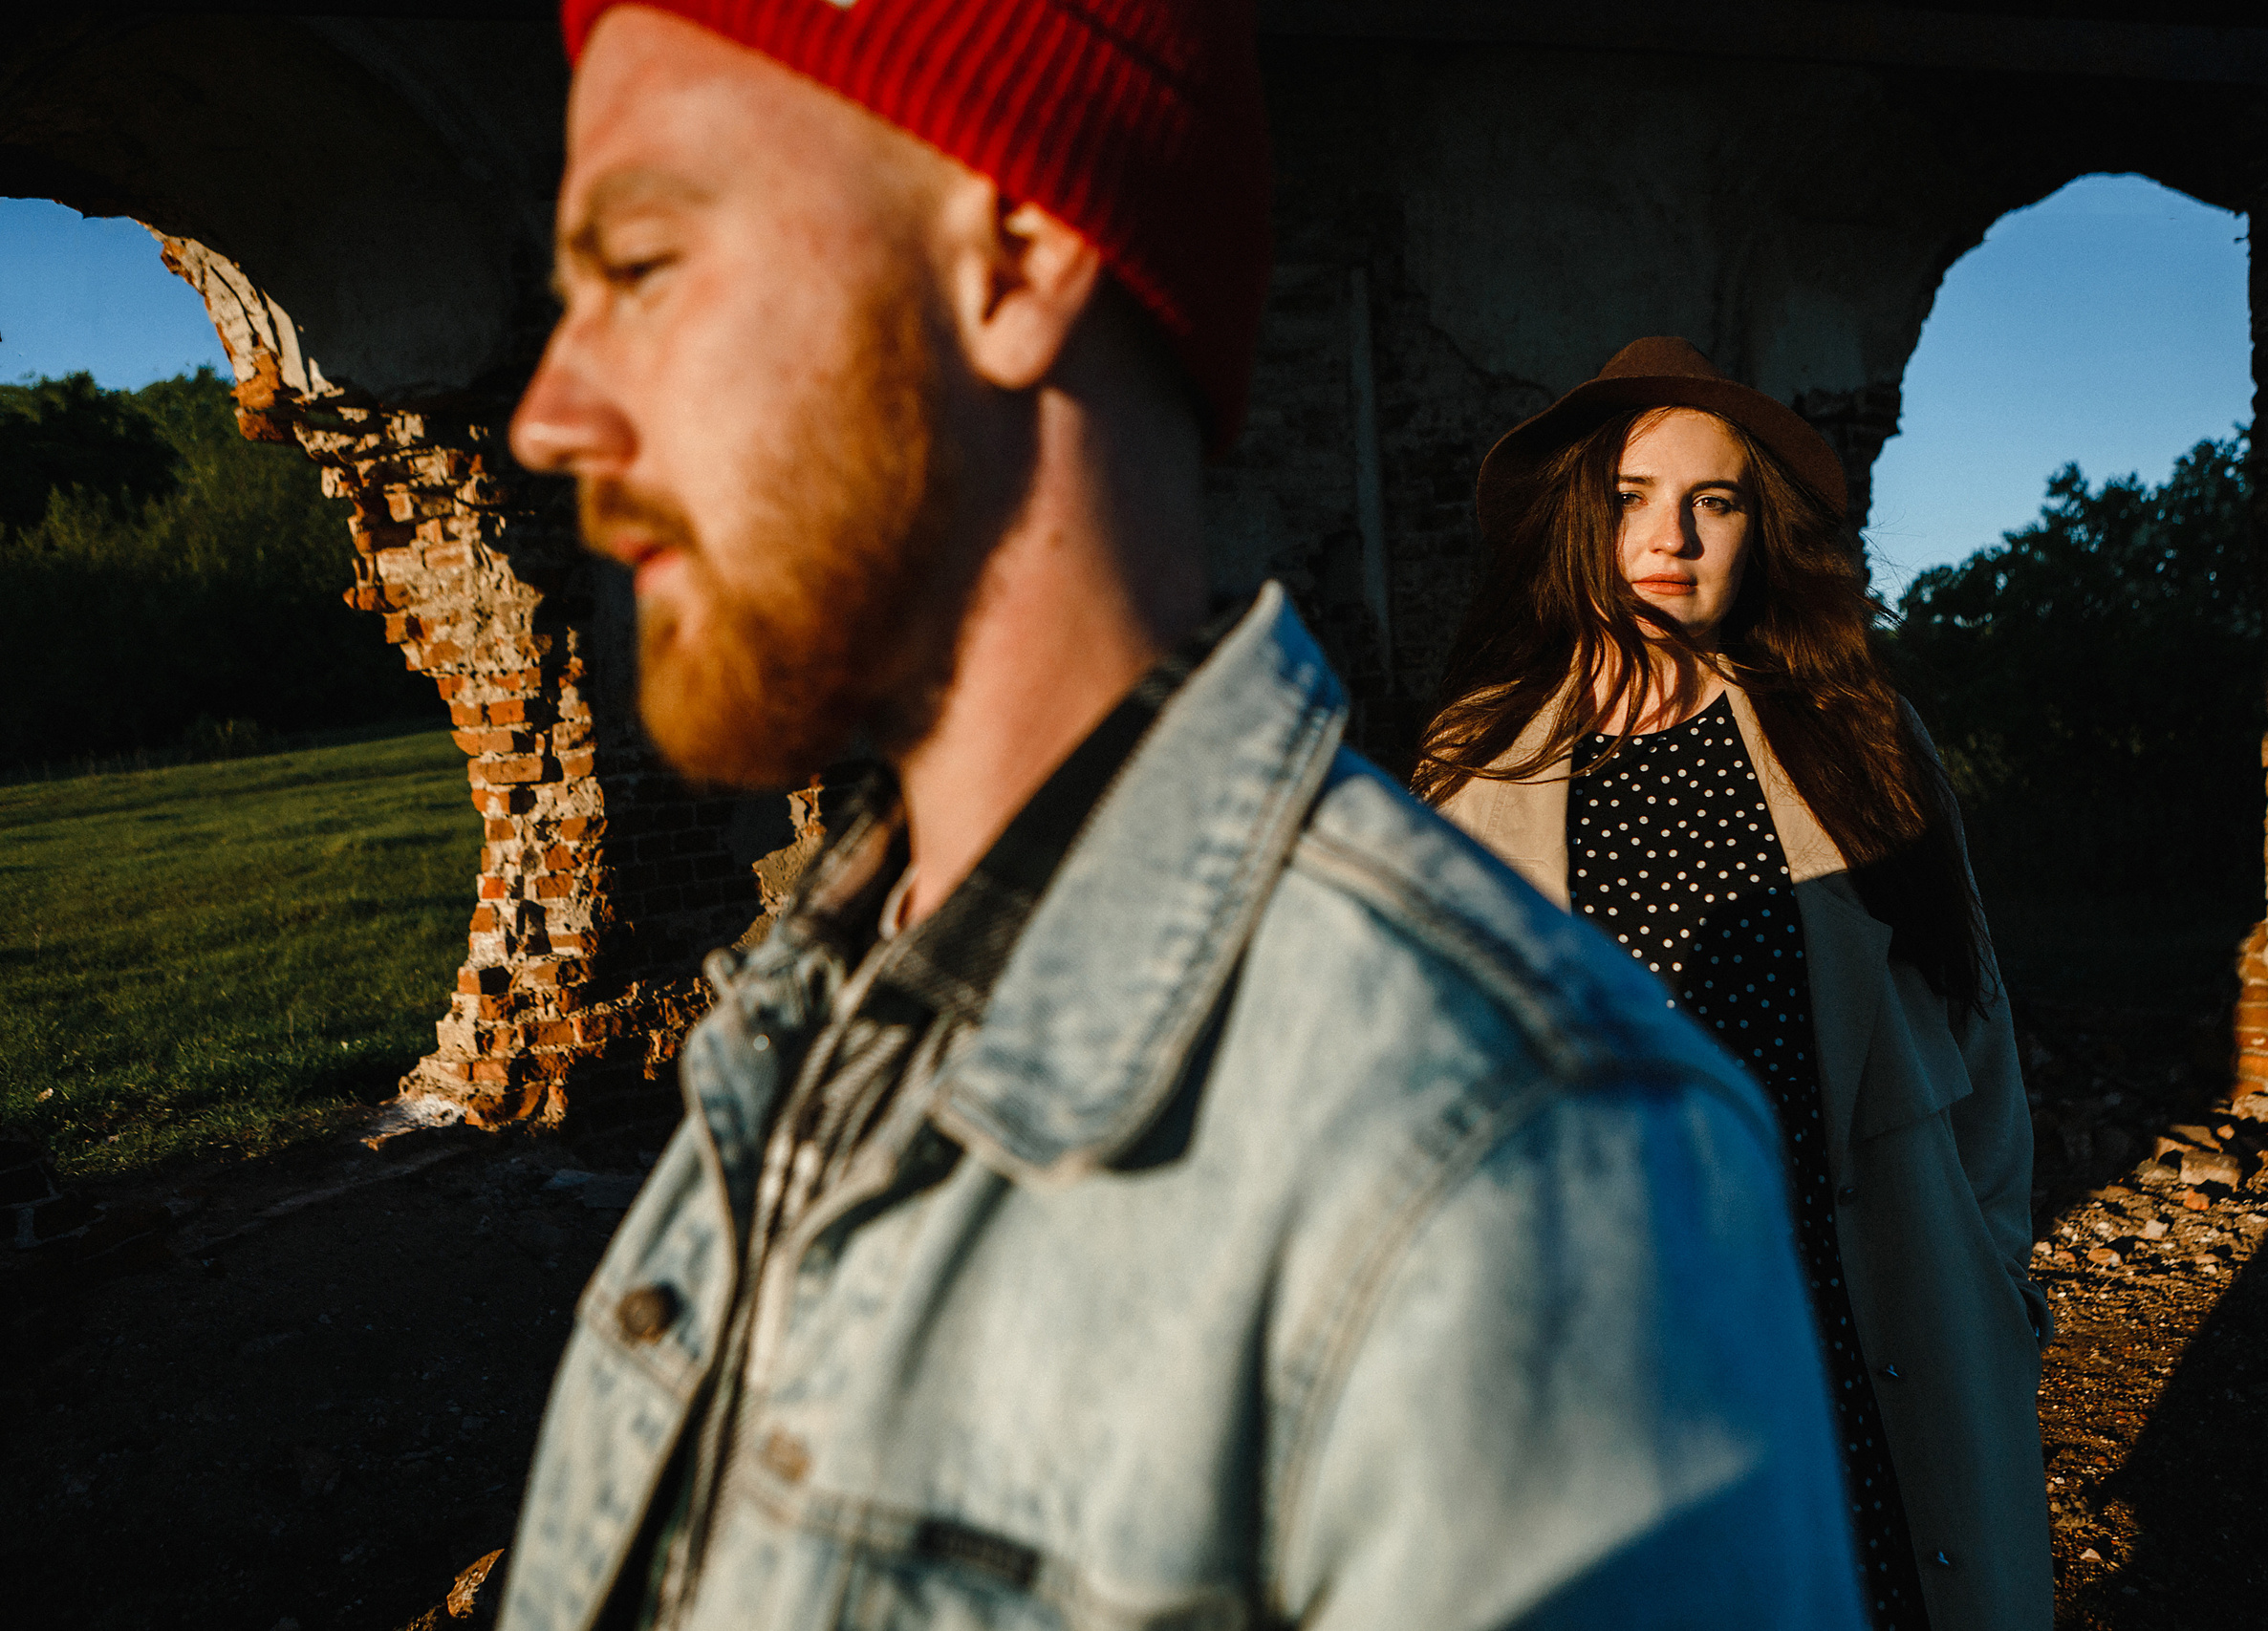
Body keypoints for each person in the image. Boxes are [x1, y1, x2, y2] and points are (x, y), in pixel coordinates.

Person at [498, 4, 1867, 1627]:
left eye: (641, 265)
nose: (551, 412)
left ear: (1013, 257)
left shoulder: (1518, 1170)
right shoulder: (819, 1006)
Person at [1416, 338, 2050, 1631]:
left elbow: (1977, 1032)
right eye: (1635, 497)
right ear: (1580, 519)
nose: (1675, 538)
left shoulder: (1859, 738)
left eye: (1717, 502)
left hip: (1851, 1300)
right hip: (1611, 1331)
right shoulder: (1474, 775)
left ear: (1763, 532)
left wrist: (1993, 1268)